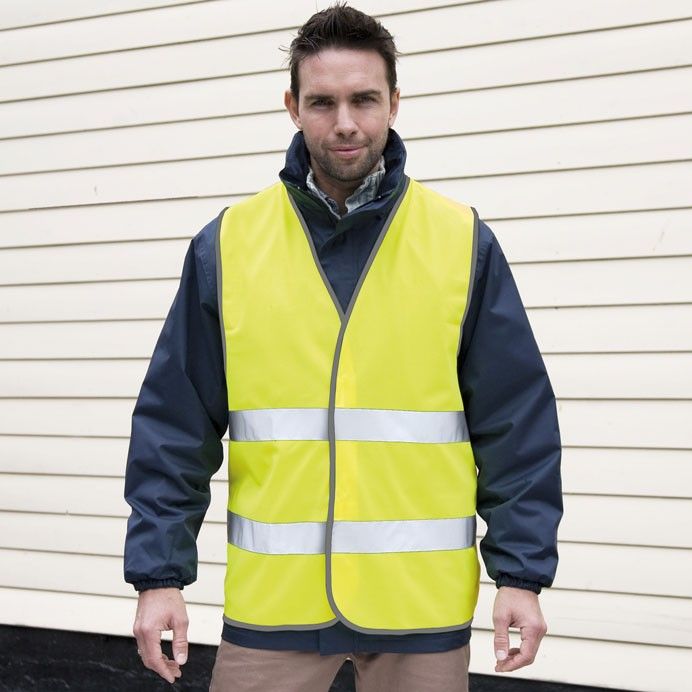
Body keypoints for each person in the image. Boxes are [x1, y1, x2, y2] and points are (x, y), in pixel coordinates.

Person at [123, 4, 562, 690]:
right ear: (293, 107)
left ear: (395, 102)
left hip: (420, 610)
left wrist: (521, 575)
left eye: (364, 99)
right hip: (275, 610)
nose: (346, 122)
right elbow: (174, 426)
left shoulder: (461, 242)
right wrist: (159, 577)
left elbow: (516, 422)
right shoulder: (228, 245)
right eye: (323, 102)